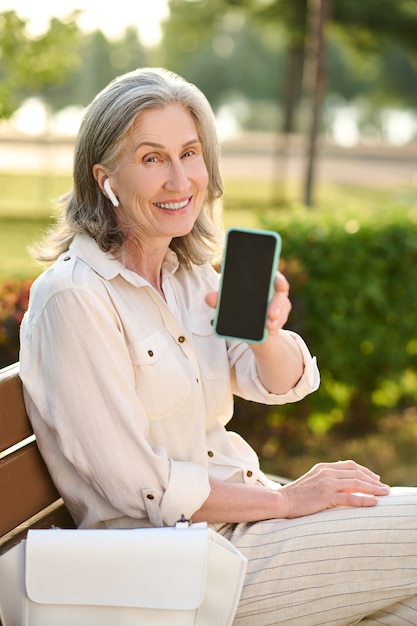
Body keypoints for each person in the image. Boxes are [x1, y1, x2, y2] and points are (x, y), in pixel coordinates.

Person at [19, 67, 417, 625]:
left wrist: (267, 335)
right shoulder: (74, 298)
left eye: (190, 153)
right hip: (175, 571)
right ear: (105, 178)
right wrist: (286, 502)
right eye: (152, 158)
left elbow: (279, 385)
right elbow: (142, 488)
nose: (180, 180)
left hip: (237, 533)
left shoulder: (188, 274)